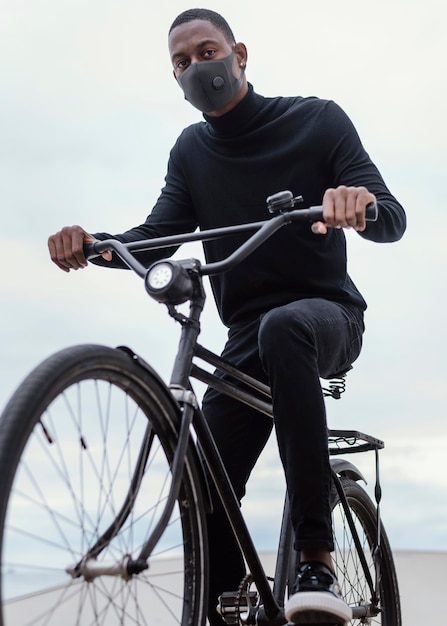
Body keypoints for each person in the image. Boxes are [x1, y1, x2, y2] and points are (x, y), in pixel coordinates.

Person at [48, 8, 406, 625]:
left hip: (326, 316)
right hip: (247, 339)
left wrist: (359, 205)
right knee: (206, 493)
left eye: (206, 52)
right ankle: (226, 598)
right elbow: (156, 234)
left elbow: (392, 216)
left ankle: (316, 562)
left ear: (240, 54)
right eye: (180, 64)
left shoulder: (317, 121)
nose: (196, 69)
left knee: (282, 326)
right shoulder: (192, 151)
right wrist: (93, 242)